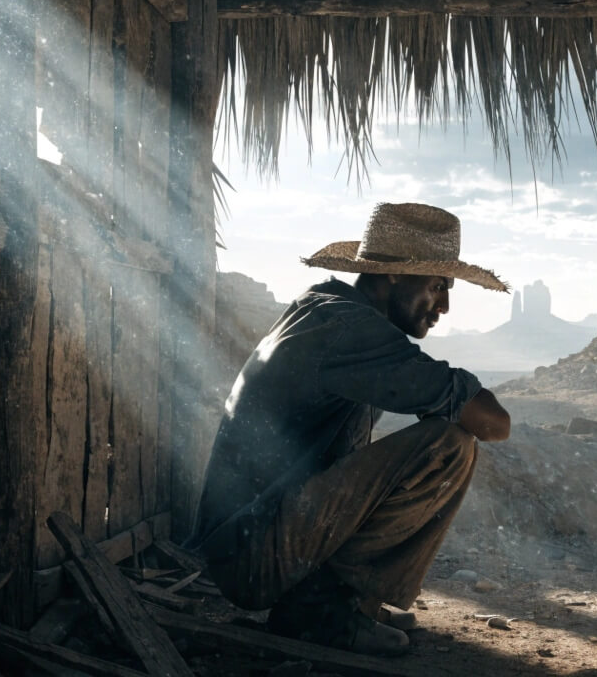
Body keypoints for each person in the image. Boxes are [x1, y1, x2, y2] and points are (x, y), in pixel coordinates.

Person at [188, 202, 511, 656]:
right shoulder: (348, 328)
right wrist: (447, 408)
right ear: (394, 274)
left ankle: (344, 602)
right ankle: (320, 612)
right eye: (438, 286)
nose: (444, 306)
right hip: (252, 553)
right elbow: (493, 422)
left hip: (248, 541)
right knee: (449, 445)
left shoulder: (325, 308)